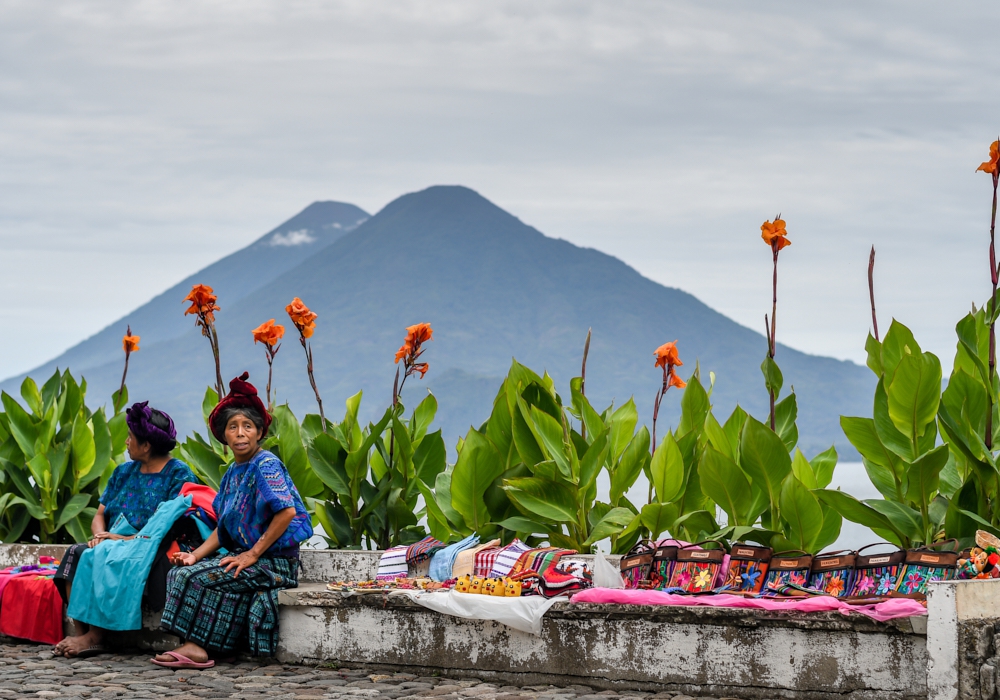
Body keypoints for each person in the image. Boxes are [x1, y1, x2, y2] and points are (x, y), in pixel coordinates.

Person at [152, 372, 313, 669]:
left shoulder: (265, 464)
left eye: (247, 426)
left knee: (195, 578)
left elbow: (287, 512)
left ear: (259, 433)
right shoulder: (232, 473)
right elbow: (223, 528)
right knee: (182, 571)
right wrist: (194, 555)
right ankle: (207, 646)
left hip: (275, 563)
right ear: (224, 436)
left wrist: (252, 554)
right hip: (251, 559)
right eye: (233, 427)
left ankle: (198, 649)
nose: (240, 433)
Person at [54, 402, 198, 658]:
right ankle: (85, 634)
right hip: (114, 540)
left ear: (147, 445)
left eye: (131, 438)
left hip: (157, 542)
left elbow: (170, 525)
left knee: (117, 556)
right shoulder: (123, 472)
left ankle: (97, 636)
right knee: (77, 553)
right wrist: (100, 535)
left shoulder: (178, 473)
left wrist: (122, 539)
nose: (126, 442)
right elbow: (100, 515)